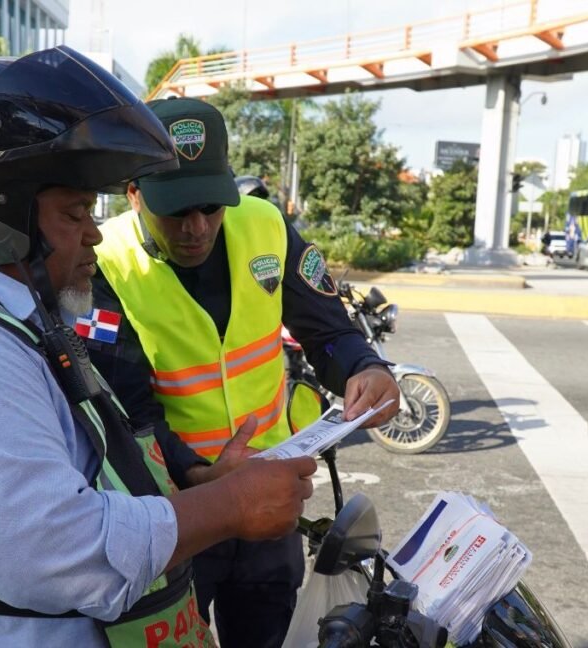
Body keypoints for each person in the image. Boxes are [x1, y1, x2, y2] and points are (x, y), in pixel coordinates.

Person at [0, 47, 316, 647]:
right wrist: (229, 506)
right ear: (3, 218)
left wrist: (201, 482)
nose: (95, 234)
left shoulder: (12, 323)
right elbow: (54, 553)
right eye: (75, 214)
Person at [87, 97, 400, 648]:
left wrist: (364, 366)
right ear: (134, 193)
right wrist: (198, 475)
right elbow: (127, 410)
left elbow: (328, 329)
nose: (197, 227)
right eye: (176, 210)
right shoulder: (104, 262)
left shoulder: (266, 226)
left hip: (269, 496)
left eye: (211, 206)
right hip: (174, 510)